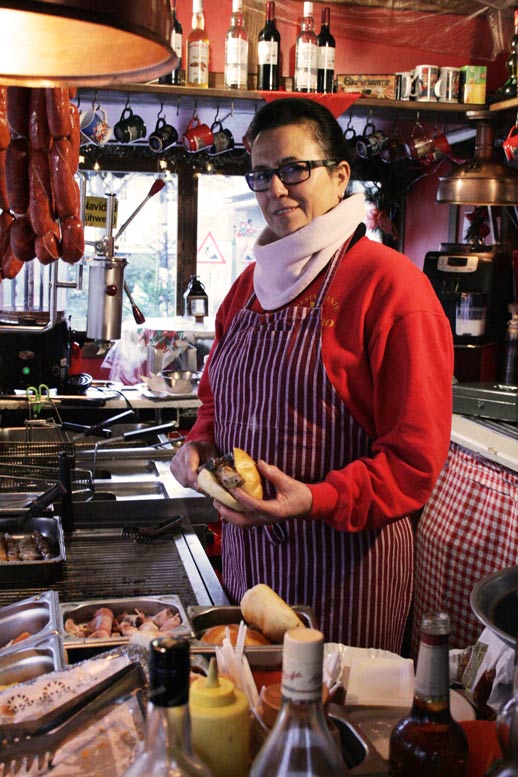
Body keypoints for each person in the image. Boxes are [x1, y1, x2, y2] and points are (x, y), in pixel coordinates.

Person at [171, 97, 454, 652]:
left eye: (294, 169)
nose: (275, 189)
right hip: (248, 573)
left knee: (334, 731)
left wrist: (315, 498)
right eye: (260, 174)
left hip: (345, 581)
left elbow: (414, 463)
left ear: (341, 175)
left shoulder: (391, 288)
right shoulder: (247, 286)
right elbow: (216, 400)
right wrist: (198, 444)